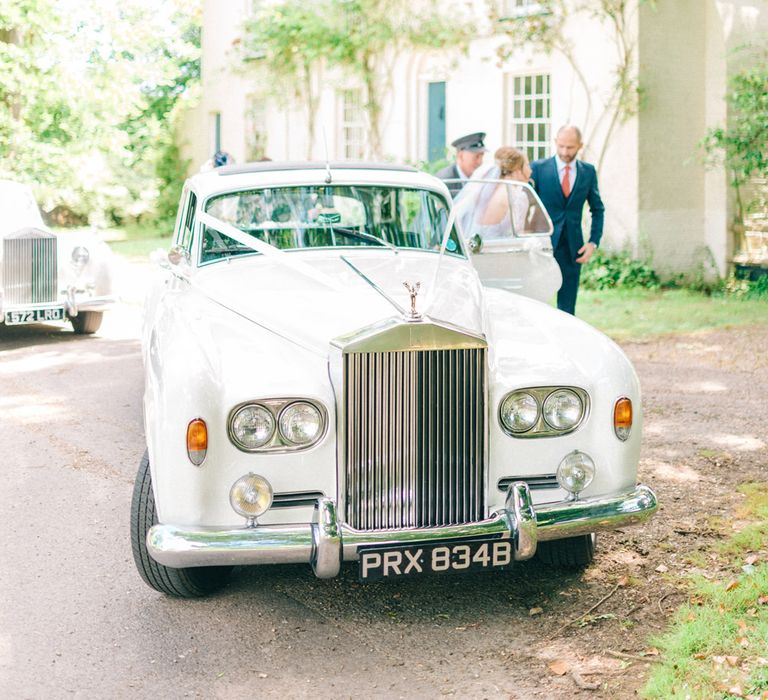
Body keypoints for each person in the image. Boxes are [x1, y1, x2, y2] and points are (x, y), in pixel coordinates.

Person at [530, 125, 604, 315]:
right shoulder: (538, 169)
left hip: (573, 249)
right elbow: (525, 206)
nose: (564, 152)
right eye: (561, 146)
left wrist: (593, 242)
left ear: (580, 145)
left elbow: (597, 209)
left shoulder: (588, 172)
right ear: (555, 142)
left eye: (570, 147)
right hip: (542, 247)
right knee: (539, 305)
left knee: (567, 307)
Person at [436, 132, 488, 196]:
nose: (480, 162)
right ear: (460, 156)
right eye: (476, 157)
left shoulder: (481, 179)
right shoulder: (445, 181)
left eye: (481, 156)